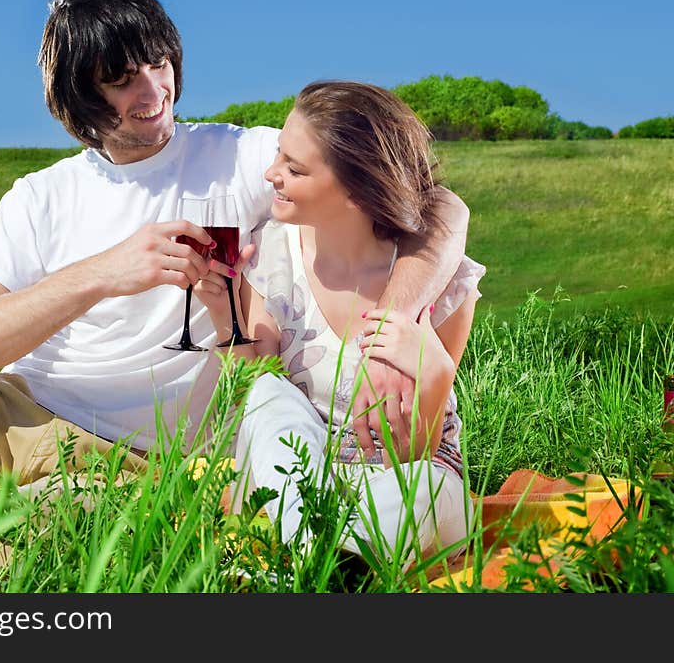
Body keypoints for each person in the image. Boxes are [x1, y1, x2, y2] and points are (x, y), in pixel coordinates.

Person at [0, 0, 471, 536]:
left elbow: (434, 203)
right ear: (79, 96)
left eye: (158, 63)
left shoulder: (242, 159)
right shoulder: (38, 198)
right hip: (20, 410)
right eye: (122, 79)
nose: (154, 91)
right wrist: (105, 273)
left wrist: (392, 324)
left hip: (153, 457)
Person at [192, 80, 485, 570]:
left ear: (356, 192)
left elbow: (418, 452)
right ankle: (328, 549)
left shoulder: (437, 281)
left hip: (400, 481)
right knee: (268, 395)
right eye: (279, 156)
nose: (271, 174)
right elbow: (250, 392)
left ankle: (316, 549)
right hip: (304, 476)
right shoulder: (276, 257)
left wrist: (432, 370)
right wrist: (224, 315)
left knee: (427, 492)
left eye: (294, 167)